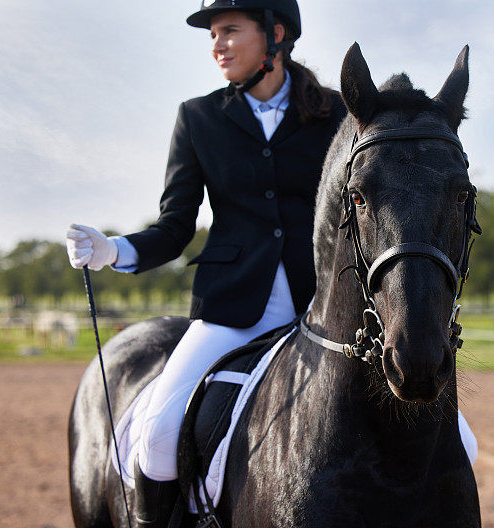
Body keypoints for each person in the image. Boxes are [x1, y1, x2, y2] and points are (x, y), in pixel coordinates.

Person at [66, 1, 346, 526]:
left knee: (456, 438)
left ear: (276, 35)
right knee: (158, 435)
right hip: (233, 310)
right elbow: (175, 227)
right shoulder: (197, 118)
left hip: (325, 311)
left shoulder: (336, 114)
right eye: (213, 34)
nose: (216, 44)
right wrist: (114, 250)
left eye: (230, 30)